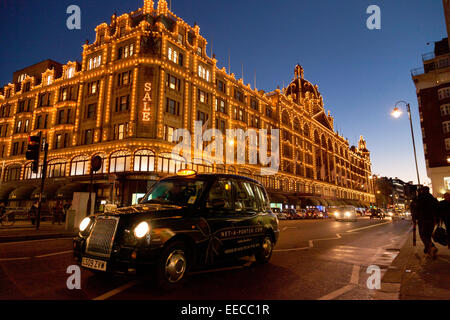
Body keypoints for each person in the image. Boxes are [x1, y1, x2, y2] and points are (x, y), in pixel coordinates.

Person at [411, 187, 439, 259]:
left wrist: (414, 218)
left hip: (422, 219)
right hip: (431, 219)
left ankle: (431, 247)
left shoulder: (419, 199)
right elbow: (437, 209)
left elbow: (415, 210)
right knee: (428, 235)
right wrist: (437, 220)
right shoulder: (432, 199)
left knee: (423, 235)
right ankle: (428, 249)